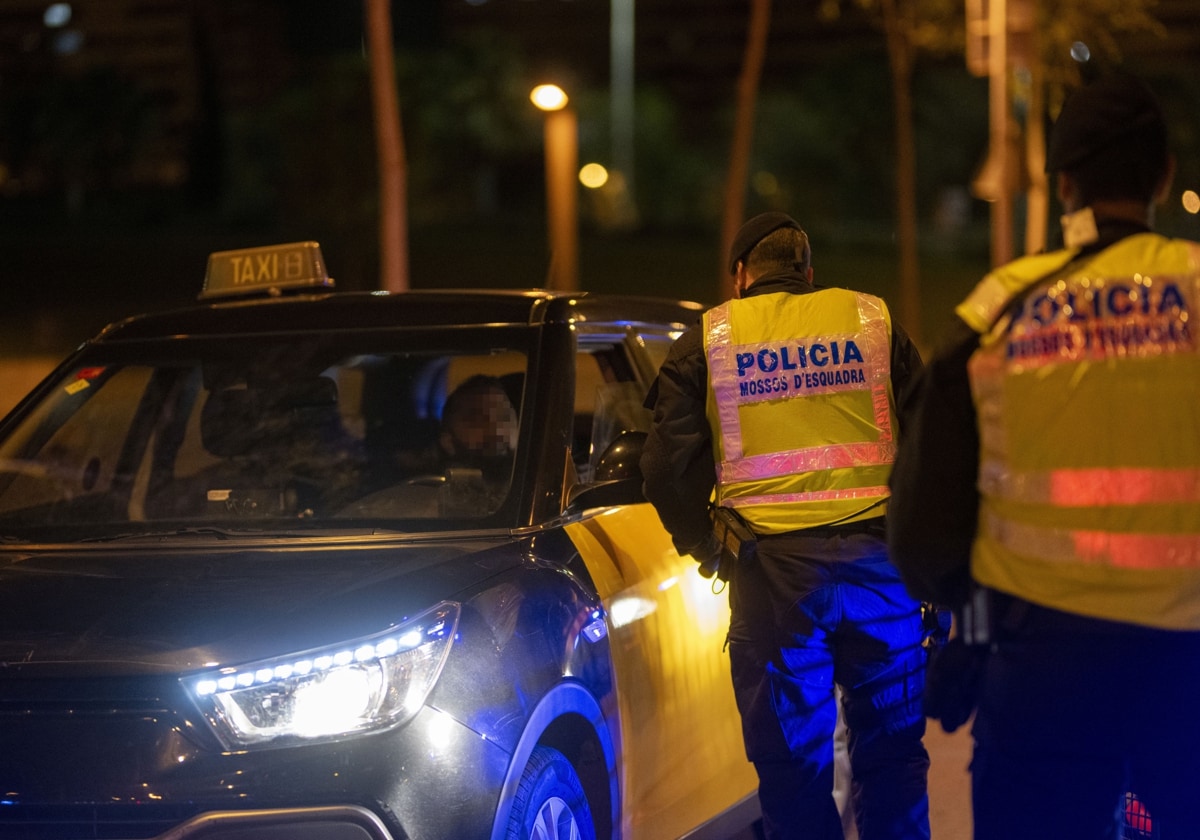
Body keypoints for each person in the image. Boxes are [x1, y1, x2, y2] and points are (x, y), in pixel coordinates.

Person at [887, 73, 1200, 839]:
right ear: (1163, 176)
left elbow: (924, 528)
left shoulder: (995, 314)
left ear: (1063, 186)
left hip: (1041, 668)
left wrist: (973, 606)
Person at [640, 212, 930, 840]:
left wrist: (707, 547)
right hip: (882, 574)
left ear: (742, 275)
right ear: (807, 272)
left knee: (793, 769)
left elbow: (666, 469)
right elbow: (936, 446)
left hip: (772, 582)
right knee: (894, 757)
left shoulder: (710, 338)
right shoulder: (871, 322)